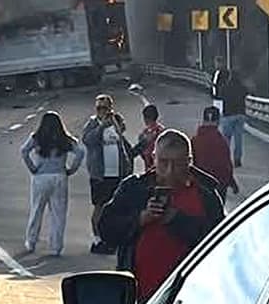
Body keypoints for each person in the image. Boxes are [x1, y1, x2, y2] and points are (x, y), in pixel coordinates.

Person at [97, 130, 225, 304]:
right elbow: (106, 229)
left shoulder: (206, 196)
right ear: (154, 159)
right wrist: (141, 219)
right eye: (164, 163)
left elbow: (220, 244)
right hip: (138, 299)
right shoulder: (134, 188)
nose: (170, 171)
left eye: (178, 164)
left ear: (189, 162)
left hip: (188, 301)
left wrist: (175, 219)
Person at [19, 111, 85, 256]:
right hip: (60, 176)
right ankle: (56, 246)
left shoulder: (37, 137)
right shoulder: (65, 139)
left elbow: (24, 151)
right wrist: (71, 169)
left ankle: (31, 242)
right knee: (58, 213)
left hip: (41, 177)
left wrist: (32, 167)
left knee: (36, 210)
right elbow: (80, 152)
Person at [82, 94, 133, 255]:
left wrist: (114, 123)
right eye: (99, 108)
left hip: (117, 172)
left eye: (105, 108)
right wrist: (102, 126)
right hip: (100, 174)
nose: (102, 111)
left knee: (118, 208)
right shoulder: (92, 123)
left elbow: (122, 136)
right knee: (100, 207)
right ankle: (98, 238)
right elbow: (88, 141)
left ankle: (114, 239)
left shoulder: (117, 121)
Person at [190, 106, 238, 198]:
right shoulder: (222, 141)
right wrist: (232, 183)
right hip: (219, 185)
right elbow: (226, 165)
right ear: (218, 121)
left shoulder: (195, 141)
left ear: (203, 120)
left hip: (201, 186)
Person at [219, 71, 249, 167]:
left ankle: (225, 159)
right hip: (240, 115)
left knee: (226, 139)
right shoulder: (242, 88)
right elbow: (247, 93)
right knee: (238, 139)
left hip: (228, 115)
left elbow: (220, 95)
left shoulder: (225, 87)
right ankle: (237, 159)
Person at [132, 104, 164, 170]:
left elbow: (140, 152)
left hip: (150, 167)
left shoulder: (144, 133)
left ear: (145, 118)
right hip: (161, 167)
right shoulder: (162, 131)